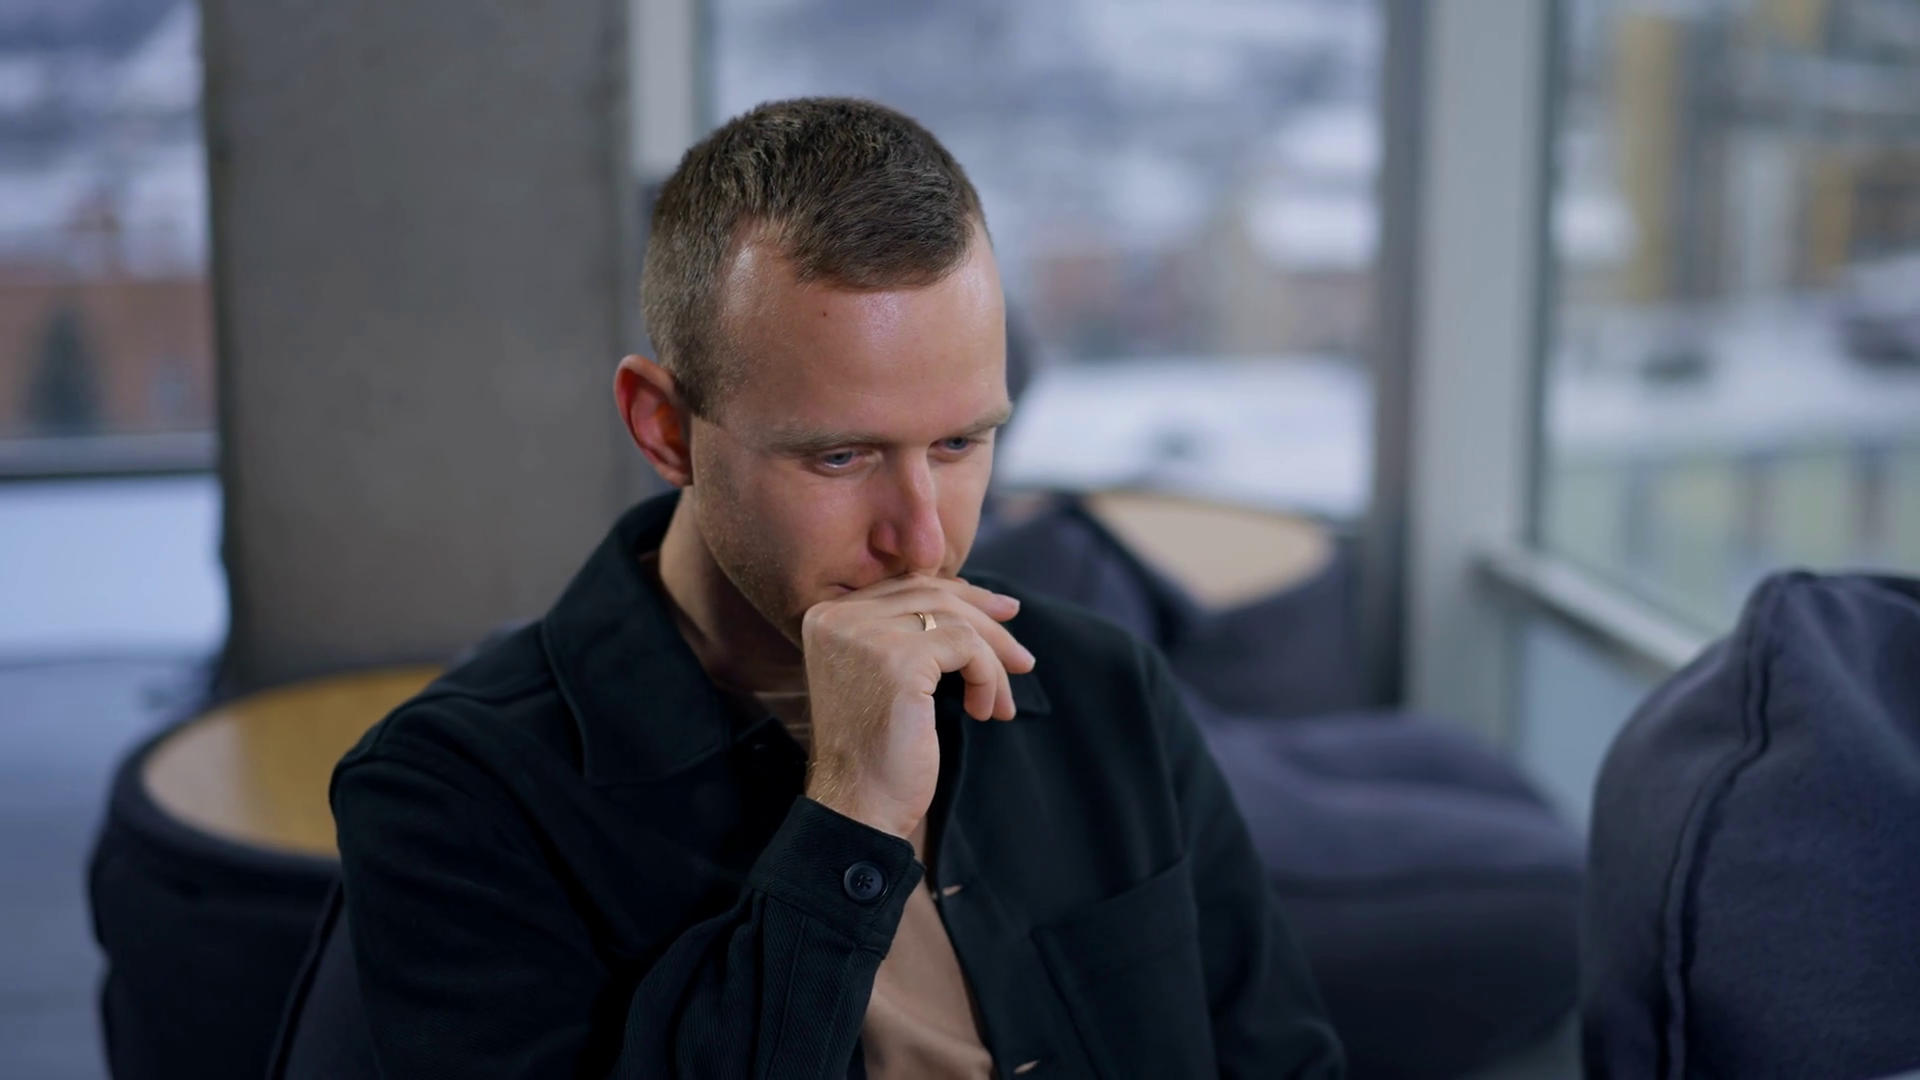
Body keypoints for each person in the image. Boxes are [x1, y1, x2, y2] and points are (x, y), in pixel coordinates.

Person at [331, 96, 1343, 1079]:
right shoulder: (449, 795)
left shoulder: (1106, 685)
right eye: (841, 456)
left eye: (960, 443)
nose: (924, 540)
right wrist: (849, 816)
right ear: (665, 429)